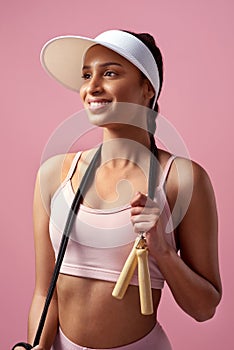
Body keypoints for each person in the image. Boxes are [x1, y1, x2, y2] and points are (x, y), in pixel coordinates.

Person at [15, 29, 222, 350]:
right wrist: (38, 347)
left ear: (147, 89)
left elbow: (204, 308)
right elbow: (45, 291)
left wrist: (162, 250)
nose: (91, 87)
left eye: (109, 73)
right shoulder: (55, 175)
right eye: (86, 75)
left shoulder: (181, 179)